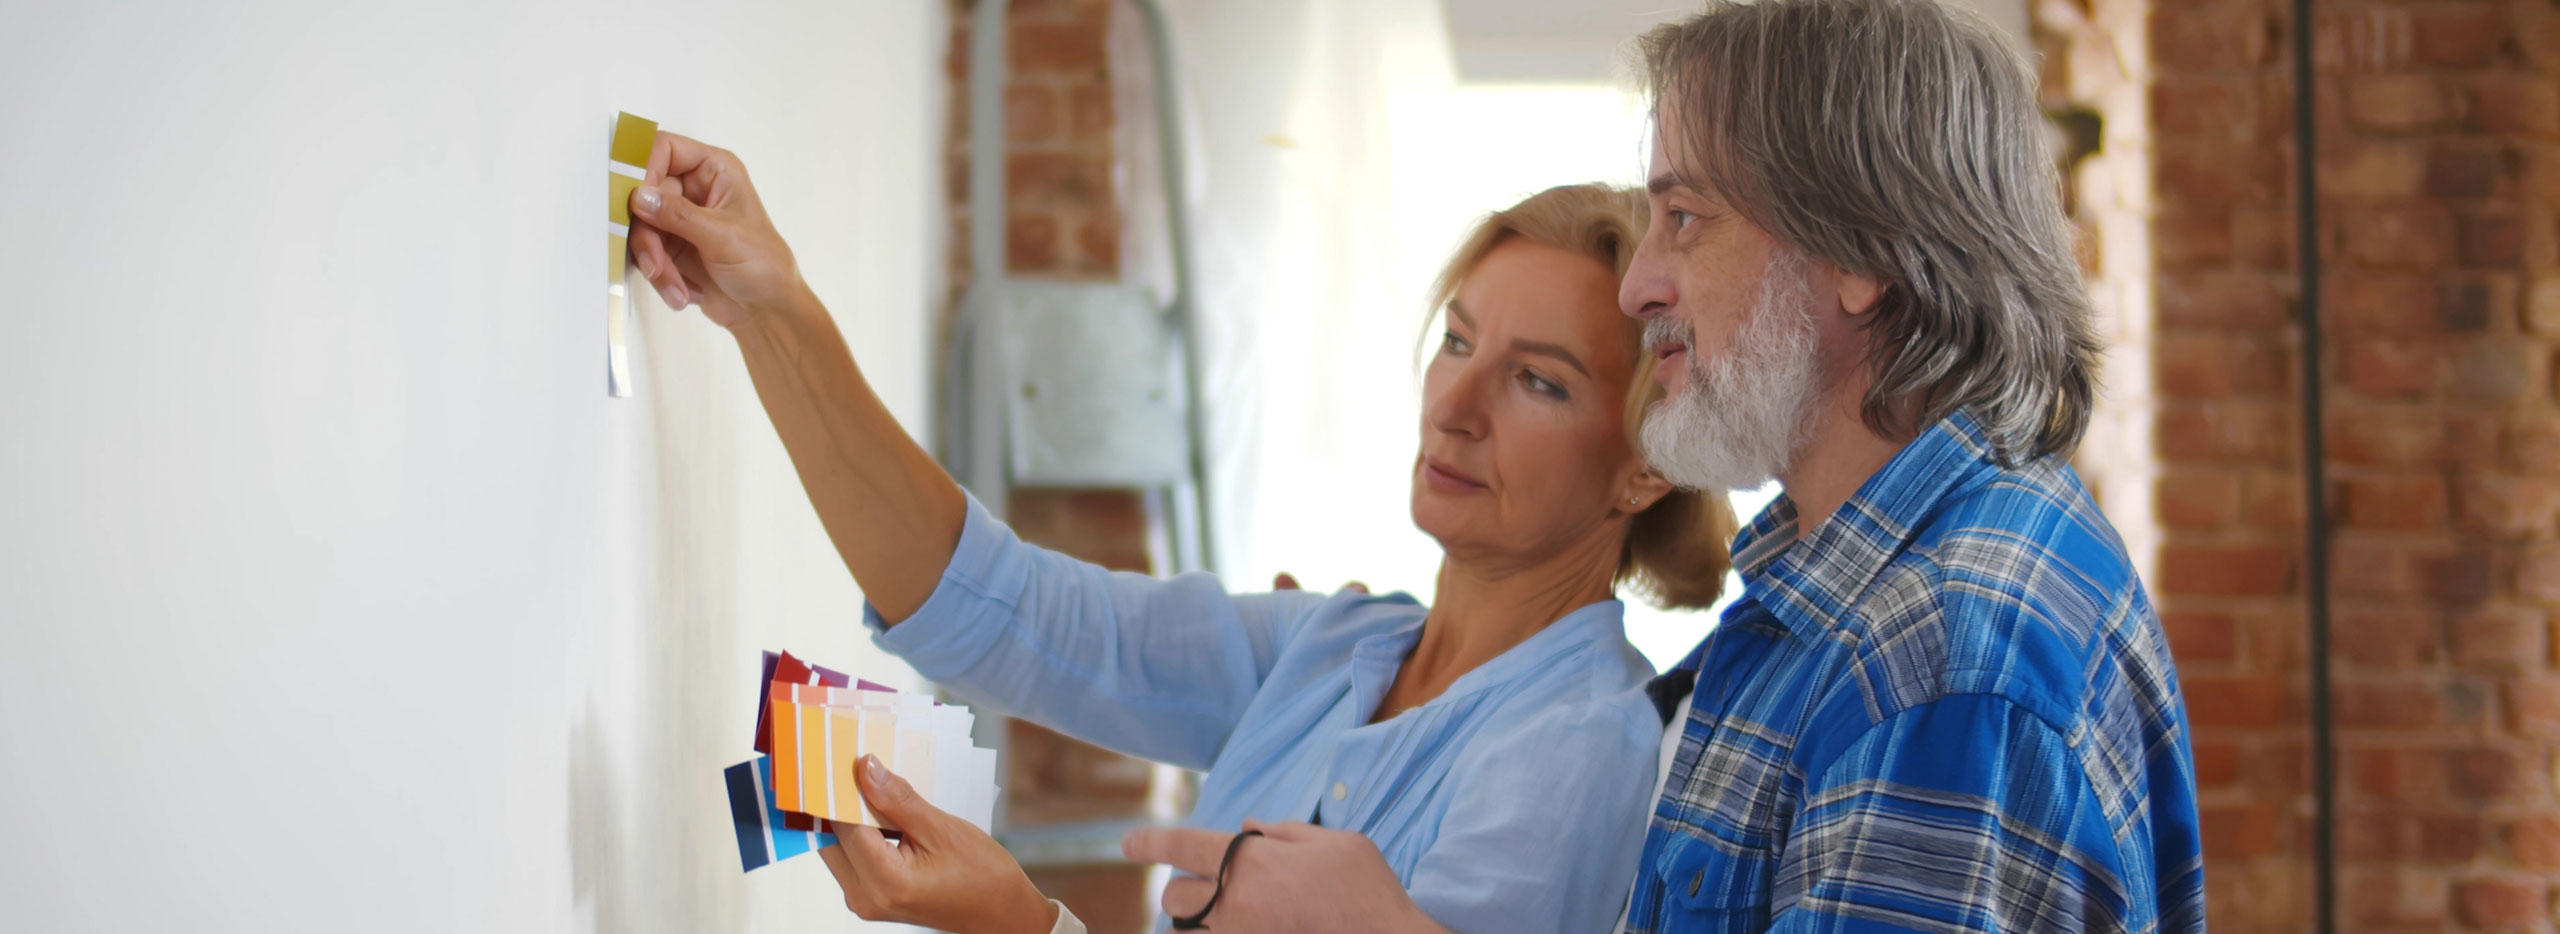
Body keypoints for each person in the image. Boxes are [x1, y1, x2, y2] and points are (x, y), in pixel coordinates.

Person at [1111, 1, 2211, 932]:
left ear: (1864, 258)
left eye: (1685, 219)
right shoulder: (1848, 584)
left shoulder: (1945, 669)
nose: (1640, 287)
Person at [623, 169, 1739, 933]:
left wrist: (1023, 920)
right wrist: (773, 310)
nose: (1455, 404)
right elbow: (1003, 612)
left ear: (1645, 464)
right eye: (1455, 339)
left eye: (1538, 380)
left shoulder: (1578, 747)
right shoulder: (1331, 645)